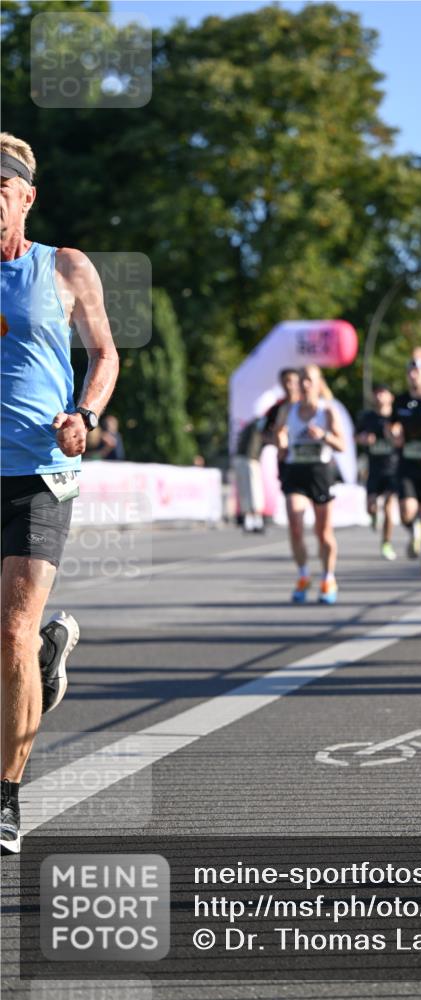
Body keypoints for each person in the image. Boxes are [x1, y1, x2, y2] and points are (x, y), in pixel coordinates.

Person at [1, 133, 119, 852]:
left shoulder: (63, 266)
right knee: (6, 645)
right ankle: (43, 664)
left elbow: (103, 353)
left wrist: (87, 415)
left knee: (9, 629)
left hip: (40, 472)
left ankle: (5, 796)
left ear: (25, 197)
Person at [274, 364, 345, 604]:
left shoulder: (327, 412)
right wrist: (281, 442)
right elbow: (279, 440)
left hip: (321, 474)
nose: (304, 385)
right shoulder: (289, 410)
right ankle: (303, 575)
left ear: (318, 384)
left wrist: (323, 436)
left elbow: (342, 445)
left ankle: (328, 577)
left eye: (309, 380)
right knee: (295, 521)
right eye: (301, 380)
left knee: (323, 533)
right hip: (296, 472)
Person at [388, 349, 421, 578]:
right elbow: (389, 425)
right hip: (407, 462)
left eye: (418, 370)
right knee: (407, 512)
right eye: (410, 370)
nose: (413, 375)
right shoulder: (400, 401)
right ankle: (414, 530)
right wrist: (393, 434)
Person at [356, 384, 399, 560]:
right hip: (374, 469)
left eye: (383, 393)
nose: (380, 397)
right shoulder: (367, 417)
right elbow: (356, 436)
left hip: (393, 469)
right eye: (377, 394)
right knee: (371, 506)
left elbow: (403, 438)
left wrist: (393, 435)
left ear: (391, 397)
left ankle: (386, 543)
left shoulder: (397, 417)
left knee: (389, 505)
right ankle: (374, 517)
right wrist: (364, 439)